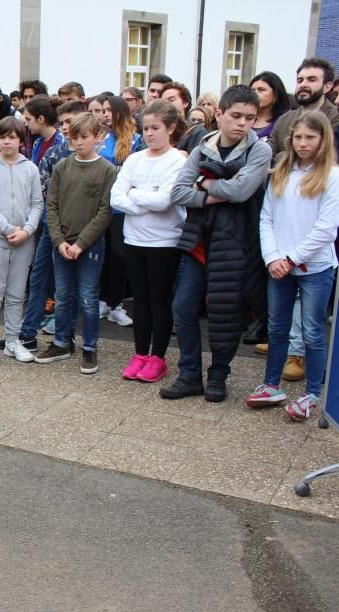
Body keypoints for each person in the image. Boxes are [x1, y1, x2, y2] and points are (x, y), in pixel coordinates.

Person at [164, 85, 272, 402]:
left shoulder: (260, 150)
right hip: (200, 240)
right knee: (182, 308)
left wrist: (205, 184)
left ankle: (218, 376)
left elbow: (243, 192)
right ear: (219, 114)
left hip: (236, 243)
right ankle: (189, 375)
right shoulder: (202, 148)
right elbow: (178, 194)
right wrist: (218, 192)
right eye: (236, 116)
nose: (242, 123)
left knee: (226, 314)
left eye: (250, 118)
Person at [246, 111, 339, 420]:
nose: (302, 143)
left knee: (312, 331)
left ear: (323, 139)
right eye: (298, 137)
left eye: (310, 137)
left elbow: (326, 228)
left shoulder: (331, 175)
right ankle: (271, 384)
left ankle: (313, 393)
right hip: (279, 266)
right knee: (277, 328)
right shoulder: (281, 171)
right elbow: (267, 218)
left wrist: (291, 259)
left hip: (314, 267)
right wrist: (273, 257)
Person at [109, 100, 188, 383]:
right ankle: (140, 353)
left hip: (164, 242)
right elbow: (116, 196)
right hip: (134, 239)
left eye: (156, 128)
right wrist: (144, 198)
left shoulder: (177, 161)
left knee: (159, 301)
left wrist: (136, 195)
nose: (150, 134)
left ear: (171, 128)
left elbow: (166, 200)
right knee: (140, 301)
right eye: (146, 128)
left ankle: (158, 357)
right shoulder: (135, 159)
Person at [34, 112, 117, 374]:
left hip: (90, 245)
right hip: (62, 243)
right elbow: (52, 205)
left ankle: (89, 347)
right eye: (74, 137)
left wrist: (81, 243)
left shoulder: (106, 169)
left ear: (97, 137)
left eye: (84, 137)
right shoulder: (62, 167)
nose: (79, 142)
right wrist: (59, 241)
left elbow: (104, 212)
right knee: (62, 295)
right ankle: (61, 341)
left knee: (89, 297)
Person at [0, 118, 43, 366]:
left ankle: (13, 340)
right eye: (3, 137)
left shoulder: (31, 169)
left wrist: (27, 230)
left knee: (16, 295)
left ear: (20, 140)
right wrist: (6, 228)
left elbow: (37, 203)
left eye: (12, 137)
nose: (7, 141)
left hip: (23, 240)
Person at [17, 99, 82, 352]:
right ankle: (28, 332)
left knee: (67, 286)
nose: (65, 127)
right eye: (63, 122)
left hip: (74, 229)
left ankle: (65, 338)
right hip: (48, 223)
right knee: (38, 277)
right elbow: (42, 189)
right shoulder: (51, 151)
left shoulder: (80, 154)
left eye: (70, 122)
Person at [98, 94, 141, 327]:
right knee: (102, 256)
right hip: (100, 207)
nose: (104, 114)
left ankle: (116, 303)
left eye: (109, 110)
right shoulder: (102, 138)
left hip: (121, 210)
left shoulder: (136, 140)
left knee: (118, 256)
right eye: (102, 110)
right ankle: (103, 300)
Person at [269, 58, 339, 155]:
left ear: (327, 87)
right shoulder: (284, 120)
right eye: (300, 80)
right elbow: (268, 157)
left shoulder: (335, 117)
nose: (303, 84)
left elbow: (325, 157)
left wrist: (282, 157)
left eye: (311, 80)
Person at [250, 71, 292, 142]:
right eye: (253, 90)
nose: (255, 94)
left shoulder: (286, 121)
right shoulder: (243, 118)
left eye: (261, 90)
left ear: (275, 94)